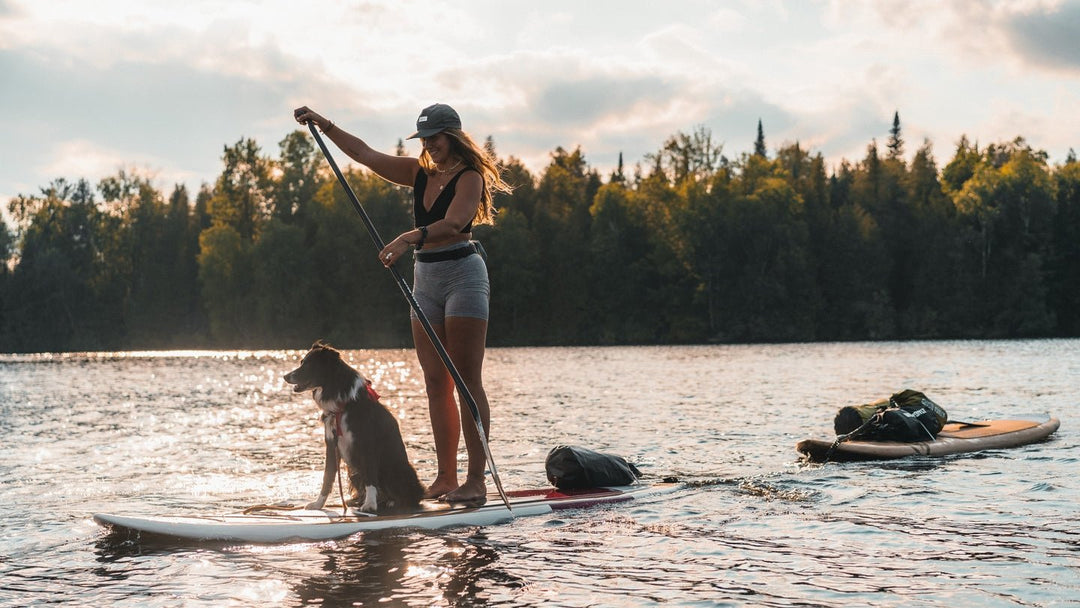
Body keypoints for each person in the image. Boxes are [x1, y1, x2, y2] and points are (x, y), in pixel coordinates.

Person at [293, 103, 511, 504]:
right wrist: (325, 125)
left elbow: (454, 222)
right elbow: (364, 154)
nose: (430, 145)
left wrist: (407, 237)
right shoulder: (418, 172)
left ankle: (475, 480)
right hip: (424, 279)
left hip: (463, 274)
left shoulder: (470, 177)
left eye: (436, 138)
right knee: (434, 383)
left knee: (465, 381)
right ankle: (446, 478)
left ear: (454, 137)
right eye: (424, 139)